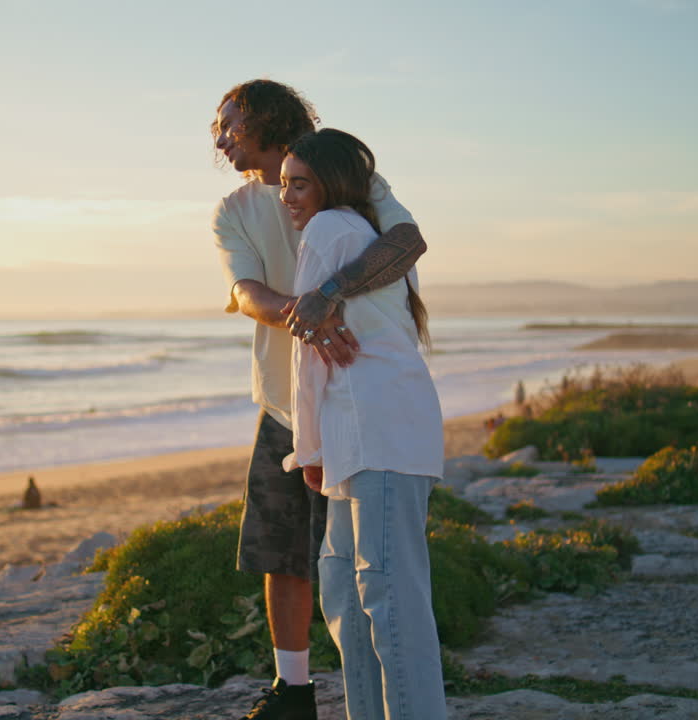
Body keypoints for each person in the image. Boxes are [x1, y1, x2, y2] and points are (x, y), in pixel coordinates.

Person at [211, 79, 427, 720]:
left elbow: (407, 241)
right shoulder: (234, 208)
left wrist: (329, 292)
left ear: (268, 120)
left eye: (230, 125)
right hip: (287, 399)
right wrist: (303, 311)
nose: (221, 140)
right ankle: (294, 691)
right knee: (287, 552)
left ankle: (395, 697)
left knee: (368, 569)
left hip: (357, 398)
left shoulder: (341, 175)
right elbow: (246, 292)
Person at [280, 128, 446, 720]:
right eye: (283, 185)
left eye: (299, 183)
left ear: (330, 182)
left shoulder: (331, 228)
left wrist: (308, 448)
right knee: (348, 592)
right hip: (374, 432)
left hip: (378, 432)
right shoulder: (368, 230)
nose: (288, 197)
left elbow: (308, 351)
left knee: (388, 598)